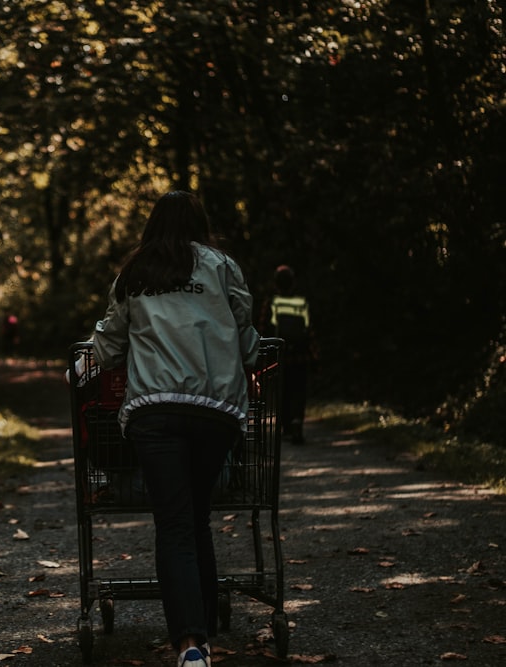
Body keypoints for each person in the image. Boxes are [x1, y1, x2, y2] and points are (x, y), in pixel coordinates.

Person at [92, 191, 260, 667]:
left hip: (154, 410)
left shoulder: (136, 272)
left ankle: (191, 645)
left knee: (174, 524)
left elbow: (107, 346)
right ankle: (201, 630)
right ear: (200, 224)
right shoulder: (222, 266)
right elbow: (246, 334)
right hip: (216, 410)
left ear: (152, 225)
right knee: (197, 517)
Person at [264, 265, 314, 443]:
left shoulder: (272, 303)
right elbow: (309, 329)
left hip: (280, 355)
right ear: (293, 283)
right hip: (300, 355)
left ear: (276, 284)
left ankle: (285, 425)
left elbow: (264, 328)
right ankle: (297, 421)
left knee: (282, 389)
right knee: (298, 389)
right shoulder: (302, 302)